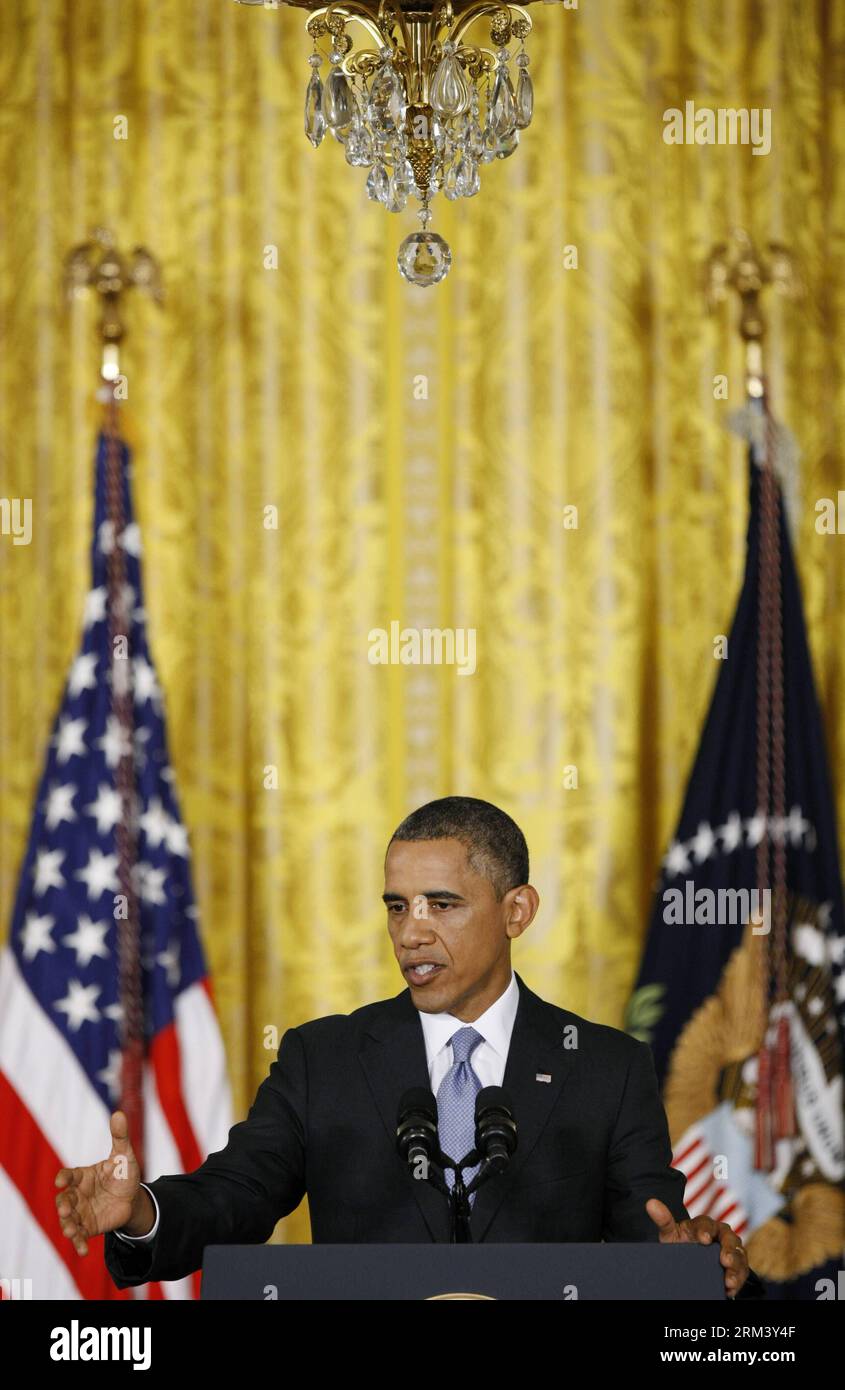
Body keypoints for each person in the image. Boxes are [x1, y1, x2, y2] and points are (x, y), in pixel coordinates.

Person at [55, 796, 761, 1297]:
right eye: (396, 905)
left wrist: (690, 1263)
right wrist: (143, 1211)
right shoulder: (323, 1059)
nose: (410, 932)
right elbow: (235, 1195)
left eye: (441, 904)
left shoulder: (604, 1067)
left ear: (517, 911)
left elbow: (655, 1239)